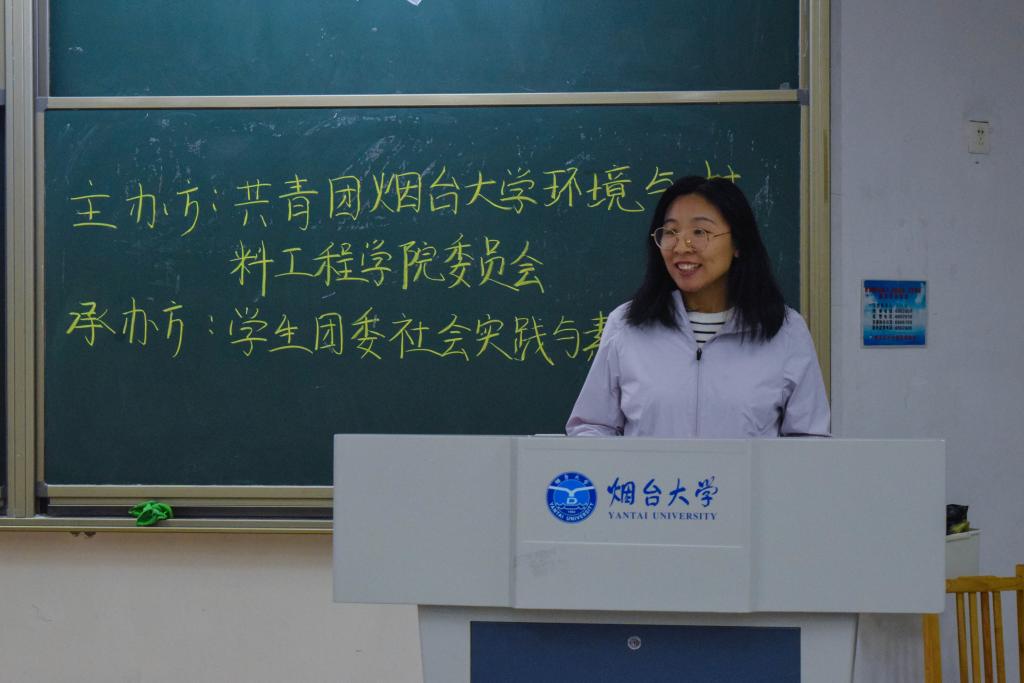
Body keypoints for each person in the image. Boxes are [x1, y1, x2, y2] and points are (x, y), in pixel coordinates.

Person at [566, 176, 829, 438]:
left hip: (745, 470)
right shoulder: (627, 325)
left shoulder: (785, 330)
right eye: (671, 232)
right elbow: (591, 427)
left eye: (700, 232)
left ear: (738, 242)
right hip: (649, 470)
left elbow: (808, 441)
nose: (682, 247)